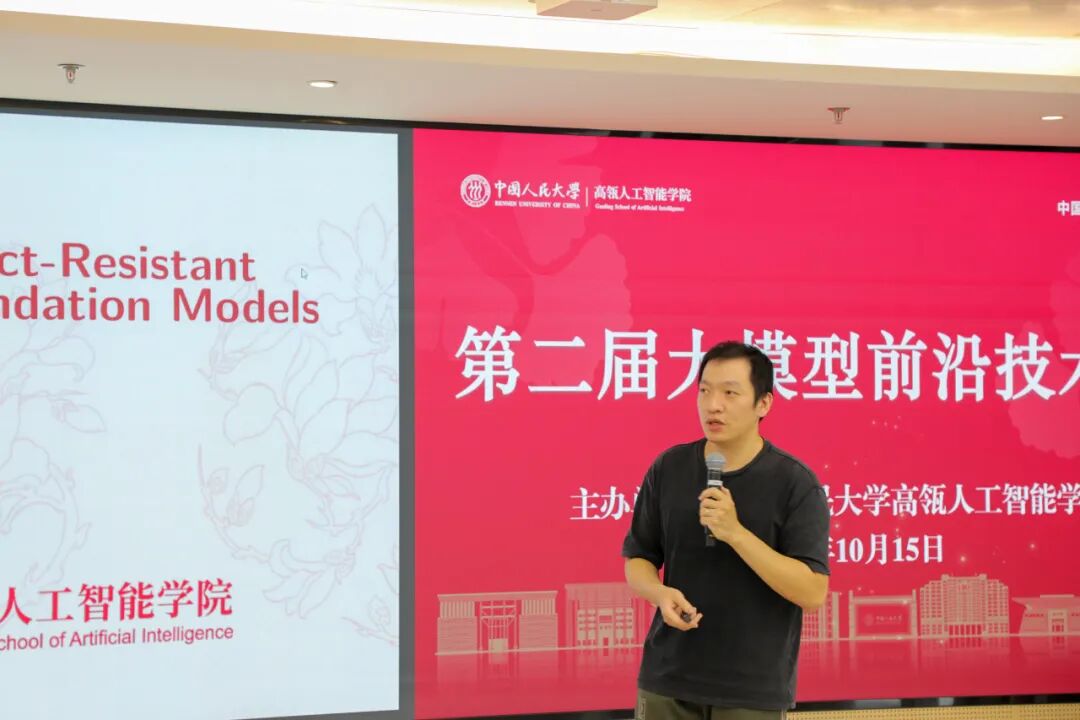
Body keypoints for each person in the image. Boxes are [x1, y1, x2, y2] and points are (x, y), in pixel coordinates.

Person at [622, 341, 831, 720]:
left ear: (763, 404)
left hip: (750, 690)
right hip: (668, 678)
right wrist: (658, 593)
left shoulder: (795, 483)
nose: (713, 405)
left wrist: (735, 533)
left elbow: (813, 592)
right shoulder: (669, 468)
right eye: (704, 391)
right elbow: (638, 558)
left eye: (730, 393)